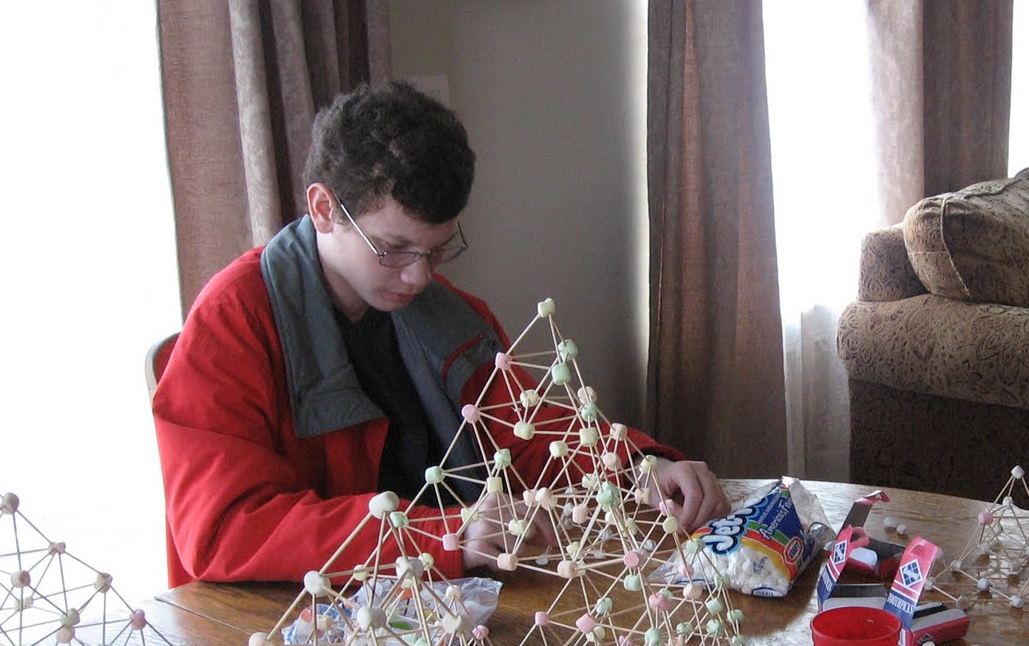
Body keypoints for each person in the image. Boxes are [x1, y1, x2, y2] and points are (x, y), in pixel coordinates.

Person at [153, 80, 729, 585]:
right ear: (324, 208)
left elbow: (523, 434)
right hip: (295, 633)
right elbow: (224, 529)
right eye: (393, 248)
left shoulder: (442, 310)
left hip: (441, 606)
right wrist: (447, 535)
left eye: (436, 250)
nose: (419, 276)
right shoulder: (234, 319)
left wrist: (637, 468)